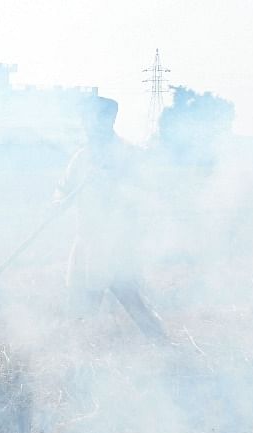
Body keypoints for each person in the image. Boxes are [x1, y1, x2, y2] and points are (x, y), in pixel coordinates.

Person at [57, 96, 167, 341]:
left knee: (128, 299)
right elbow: (64, 189)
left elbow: (142, 192)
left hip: (115, 244)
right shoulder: (82, 157)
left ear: (109, 121)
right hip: (86, 242)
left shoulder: (125, 154)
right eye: (86, 121)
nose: (89, 126)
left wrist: (110, 184)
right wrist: (58, 203)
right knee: (81, 300)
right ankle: (79, 351)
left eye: (94, 120)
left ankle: (163, 345)